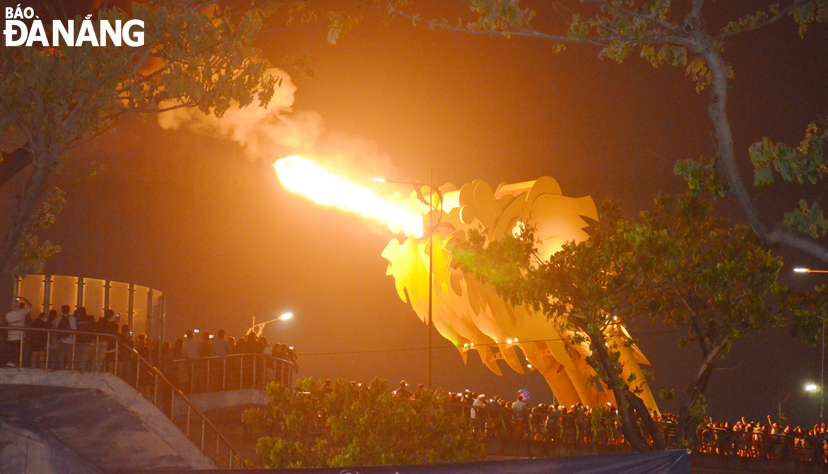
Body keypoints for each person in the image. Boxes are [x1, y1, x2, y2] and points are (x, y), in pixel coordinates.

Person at [4, 296, 31, 367]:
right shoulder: (21, 313)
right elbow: (29, 305)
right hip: (20, 336)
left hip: (11, 336)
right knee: (19, 352)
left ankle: (12, 363)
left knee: (12, 352)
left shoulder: (8, 315)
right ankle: (19, 364)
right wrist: (23, 298)